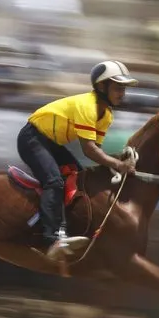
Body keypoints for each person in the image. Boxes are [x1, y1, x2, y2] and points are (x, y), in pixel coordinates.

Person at [17, 60, 138, 260]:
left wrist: (116, 160)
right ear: (101, 86)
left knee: (78, 178)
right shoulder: (87, 106)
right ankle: (51, 239)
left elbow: (96, 150)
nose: (122, 93)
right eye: (118, 87)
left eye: (124, 88)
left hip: (50, 143)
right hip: (32, 139)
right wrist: (118, 164)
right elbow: (89, 150)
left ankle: (65, 228)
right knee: (54, 181)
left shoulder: (106, 115)